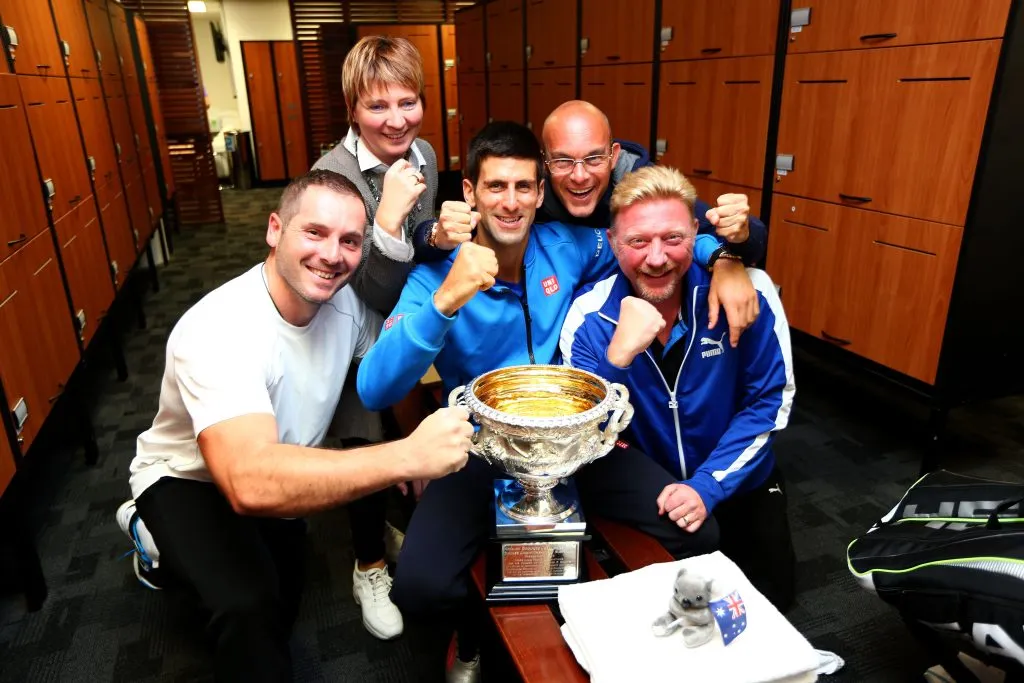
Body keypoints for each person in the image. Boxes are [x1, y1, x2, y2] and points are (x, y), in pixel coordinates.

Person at [356, 122, 740, 682]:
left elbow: (648, 235)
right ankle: (473, 637)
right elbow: (374, 389)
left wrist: (724, 256)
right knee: (419, 587)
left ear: (540, 194)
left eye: (523, 188)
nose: (510, 203)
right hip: (481, 451)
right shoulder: (435, 273)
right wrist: (446, 300)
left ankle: (625, 628)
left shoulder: (569, 247)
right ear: (468, 193)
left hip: (576, 443)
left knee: (696, 530)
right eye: (495, 187)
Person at [114, 170, 474, 682]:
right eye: (315, 232)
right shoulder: (218, 328)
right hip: (190, 479)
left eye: (350, 241)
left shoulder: (344, 304)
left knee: (285, 599)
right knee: (248, 607)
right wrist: (407, 456)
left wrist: (422, 444)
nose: (333, 255)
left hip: (280, 464)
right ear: (274, 229)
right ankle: (149, 533)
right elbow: (251, 481)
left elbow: (389, 370)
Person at [560, 165, 797, 611]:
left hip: (739, 475)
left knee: (773, 605)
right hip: (656, 487)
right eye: (637, 242)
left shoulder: (749, 293)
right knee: (664, 617)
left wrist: (708, 485)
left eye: (672, 239)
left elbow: (769, 401)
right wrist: (619, 357)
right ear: (613, 243)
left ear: (695, 234)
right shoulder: (587, 318)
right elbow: (585, 436)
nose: (656, 258)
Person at [419, 99, 764, 347]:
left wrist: (727, 257)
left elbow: (697, 231)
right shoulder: (525, 198)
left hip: (632, 319)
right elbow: (444, 238)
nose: (580, 176)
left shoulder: (640, 187)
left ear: (613, 156)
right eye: (565, 160)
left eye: (594, 158)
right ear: (546, 165)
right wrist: (432, 234)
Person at [311, 34, 442, 640]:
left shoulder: (427, 157)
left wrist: (433, 238)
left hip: (404, 316)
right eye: (377, 106)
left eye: (408, 102)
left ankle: (422, 523)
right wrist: (387, 217)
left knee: (423, 426)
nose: (397, 120)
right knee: (363, 438)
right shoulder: (332, 178)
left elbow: (416, 260)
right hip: (344, 325)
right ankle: (367, 562)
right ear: (351, 110)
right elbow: (367, 291)